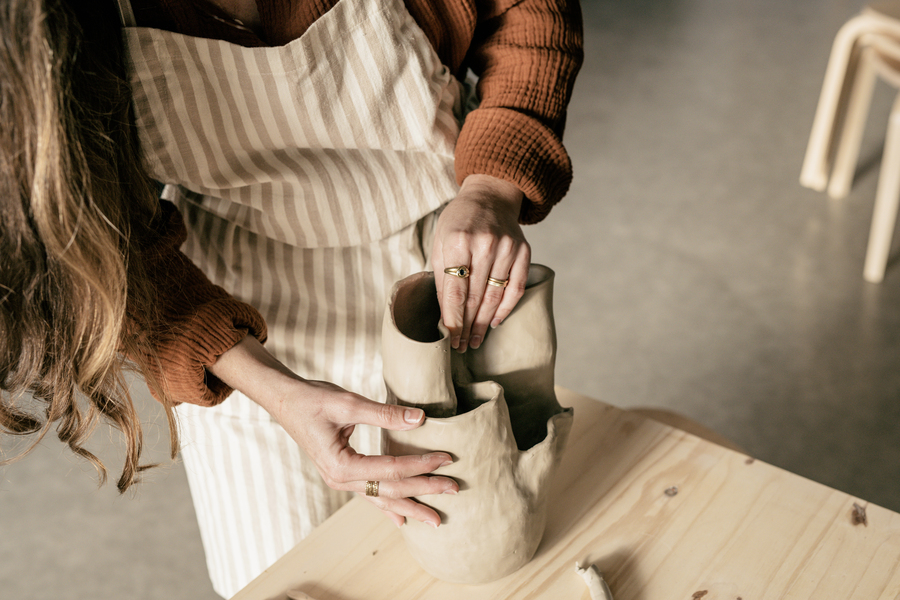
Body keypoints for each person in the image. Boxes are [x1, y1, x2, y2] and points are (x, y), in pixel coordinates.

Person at [0, 0, 583, 596]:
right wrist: (270, 388)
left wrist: (490, 189)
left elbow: (528, 14)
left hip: (439, 276)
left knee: (475, 569)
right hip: (229, 317)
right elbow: (96, 236)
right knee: (282, 580)